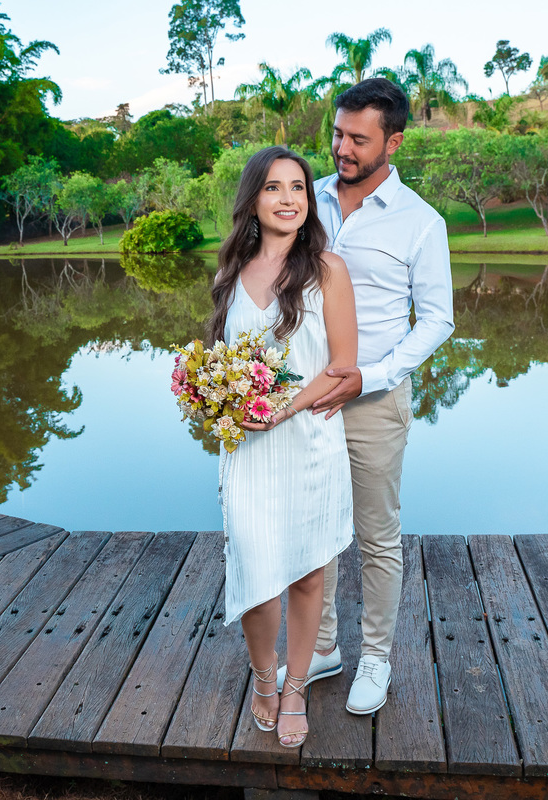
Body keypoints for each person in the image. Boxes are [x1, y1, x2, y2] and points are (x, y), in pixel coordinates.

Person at [277, 78, 454, 715]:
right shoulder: (306, 201)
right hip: (305, 397)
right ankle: (321, 648)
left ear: (393, 141)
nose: (341, 148)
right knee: (312, 533)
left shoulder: (420, 222)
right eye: (337, 134)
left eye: (358, 138)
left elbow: (437, 320)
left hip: (374, 402)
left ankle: (375, 658)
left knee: (377, 538)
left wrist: (373, 375)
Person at [210, 145, 358, 748]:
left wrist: (284, 407)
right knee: (255, 570)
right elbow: (220, 364)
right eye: (274, 187)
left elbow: (344, 367)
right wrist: (215, 400)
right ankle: (263, 677)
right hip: (246, 451)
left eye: (298, 186)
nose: (289, 198)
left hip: (309, 443)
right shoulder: (228, 274)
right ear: (253, 199)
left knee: (306, 572)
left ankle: (296, 684)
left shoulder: (328, 270)